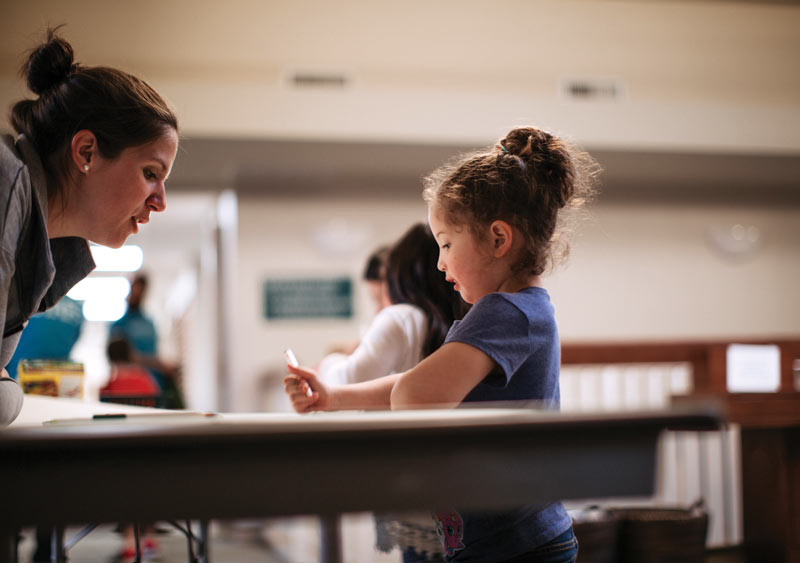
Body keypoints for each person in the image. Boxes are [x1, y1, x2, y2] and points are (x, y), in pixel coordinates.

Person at [284, 126, 600, 562]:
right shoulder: (520, 311)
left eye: (446, 243)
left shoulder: (505, 312)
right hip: (510, 542)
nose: (440, 262)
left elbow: (413, 393)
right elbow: (416, 382)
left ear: (497, 239)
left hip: (515, 548)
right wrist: (333, 396)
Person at [0, 25, 179, 427]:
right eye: (150, 172)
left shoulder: (39, 241)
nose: (160, 201)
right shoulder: (6, 185)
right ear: (86, 152)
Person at [110, 273, 184, 408]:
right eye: (135, 288)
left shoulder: (149, 324)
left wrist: (163, 366)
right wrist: (155, 363)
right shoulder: (119, 326)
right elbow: (117, 357)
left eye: (141, 290)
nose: (137, 293)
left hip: (154, 386)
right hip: (130, 389)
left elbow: (153, 351)